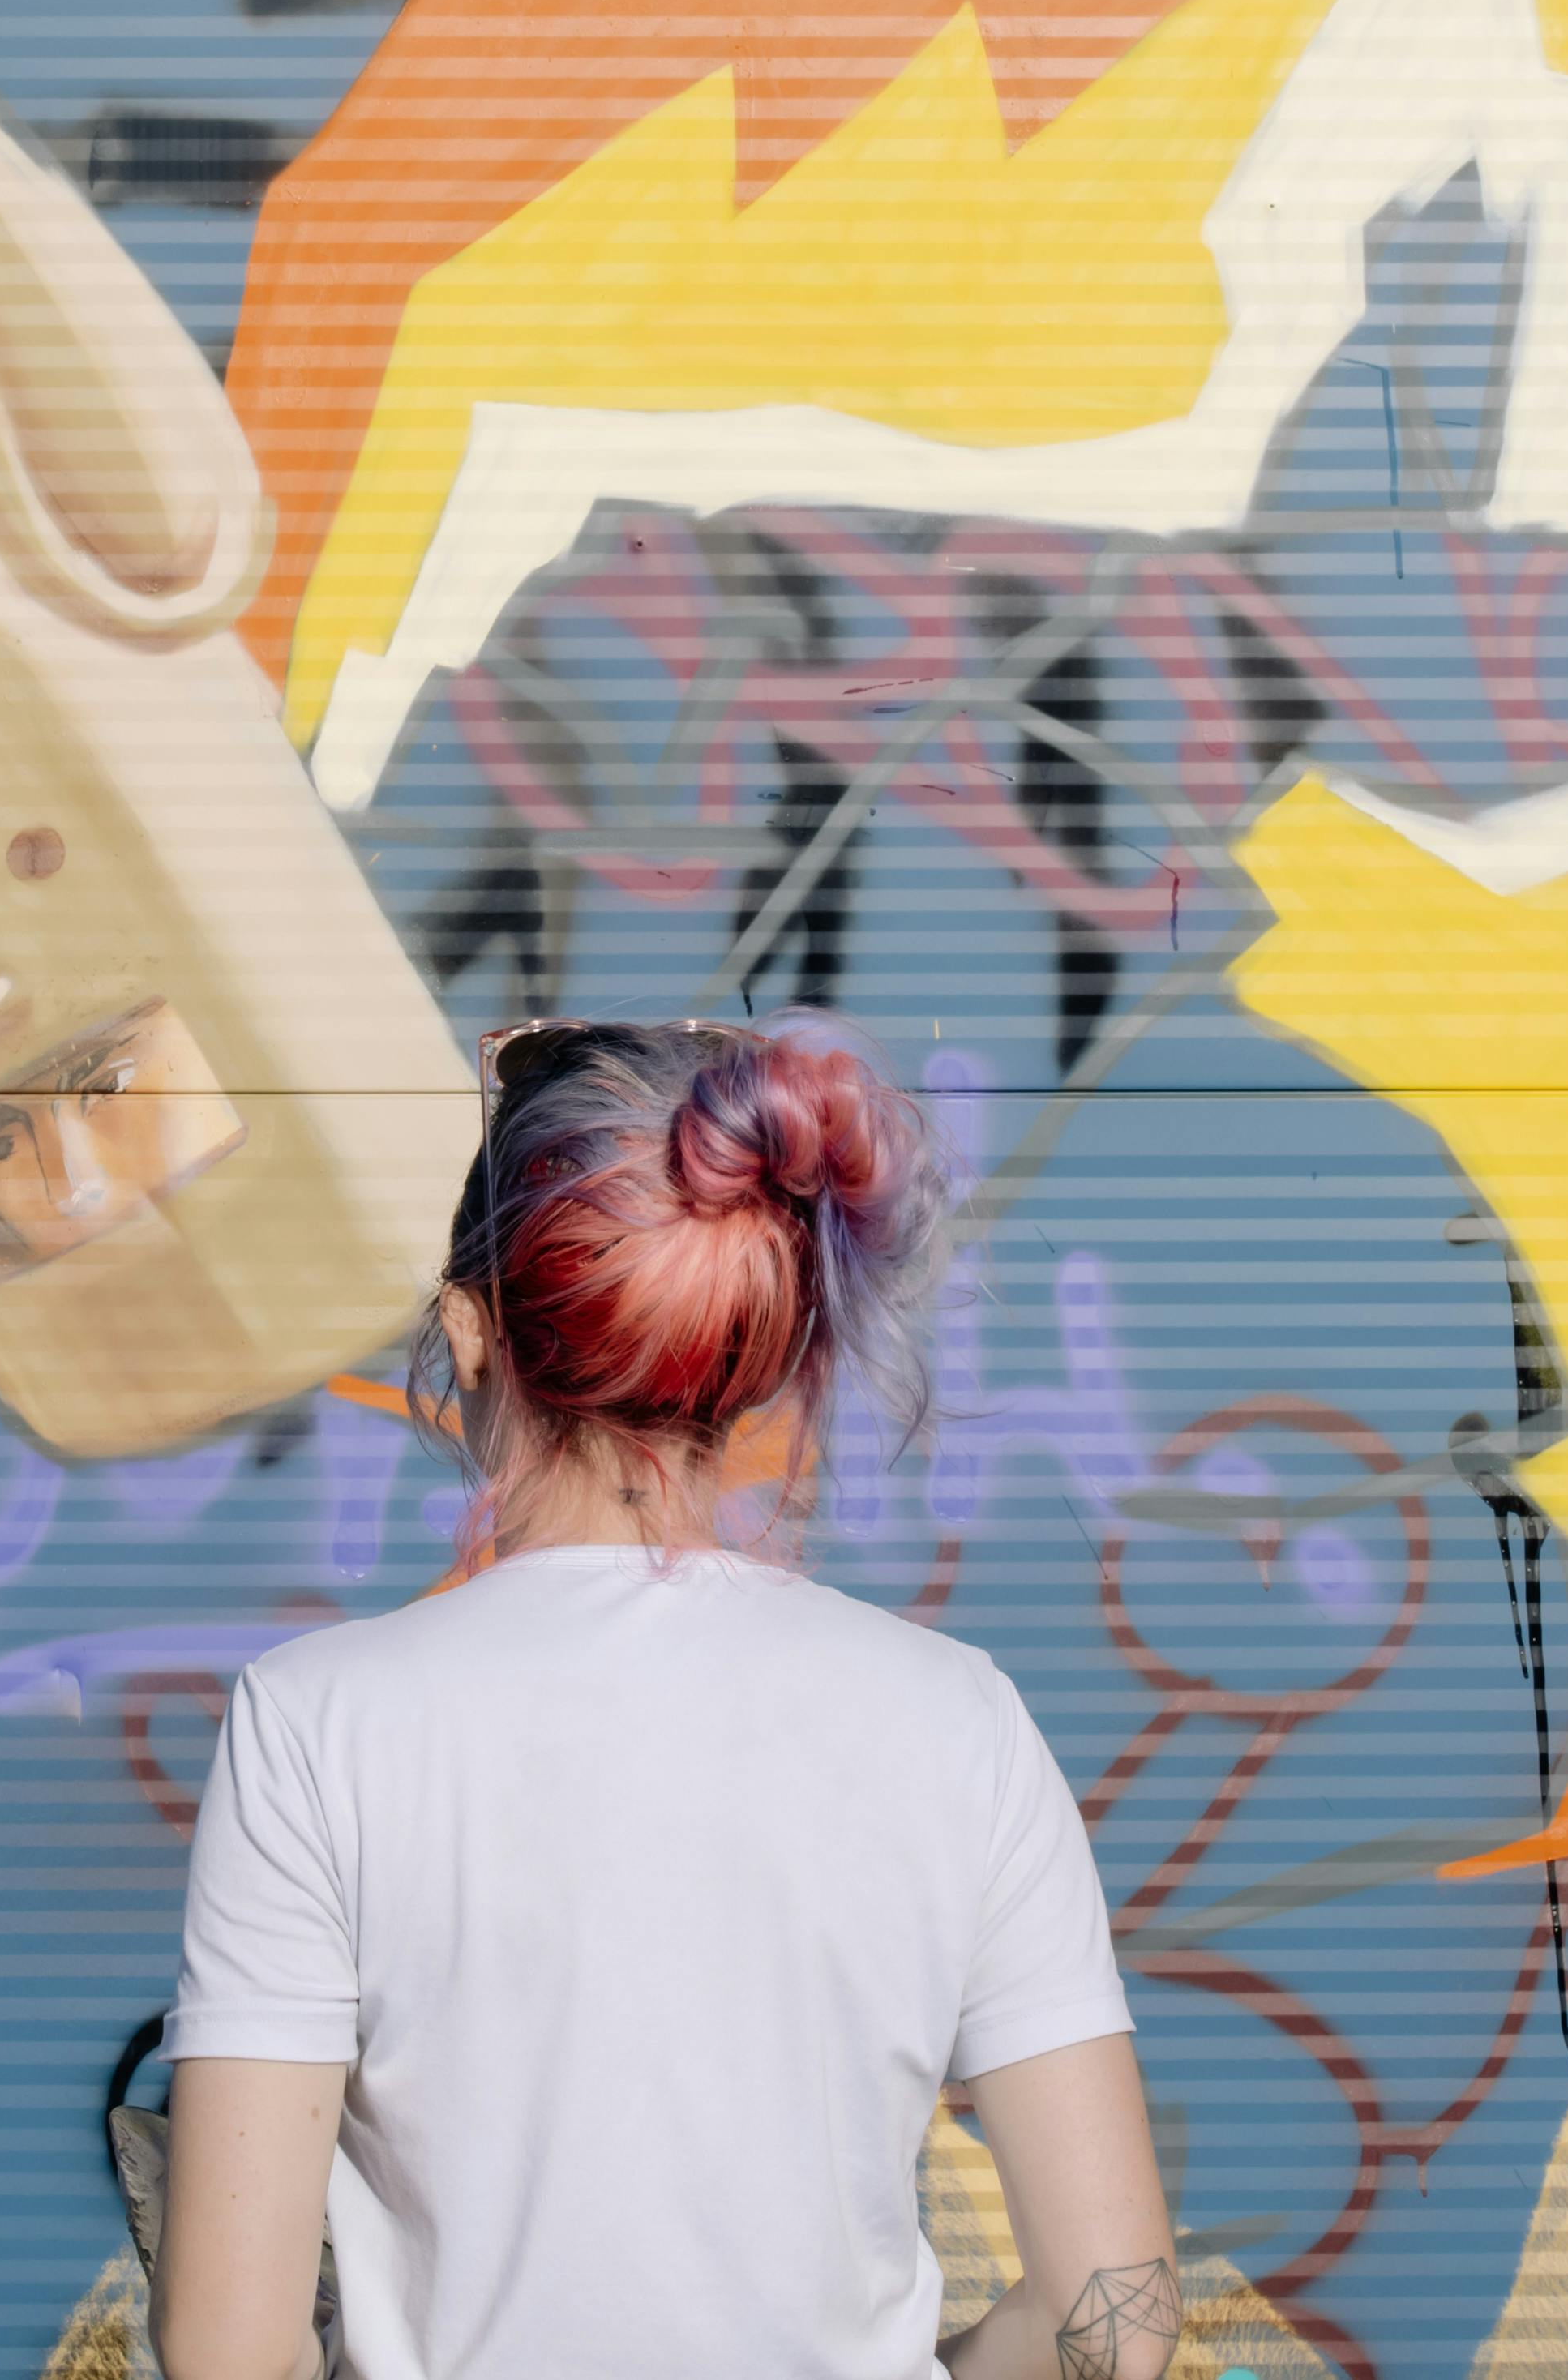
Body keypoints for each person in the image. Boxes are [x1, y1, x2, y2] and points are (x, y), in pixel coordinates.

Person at [152, 1017, 1181, 2380]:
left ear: (468, 1334)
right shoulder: (955, 1720)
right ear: (748, 1354)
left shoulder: (312, 1725)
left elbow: (229, 2351)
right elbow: (1117, 2310)